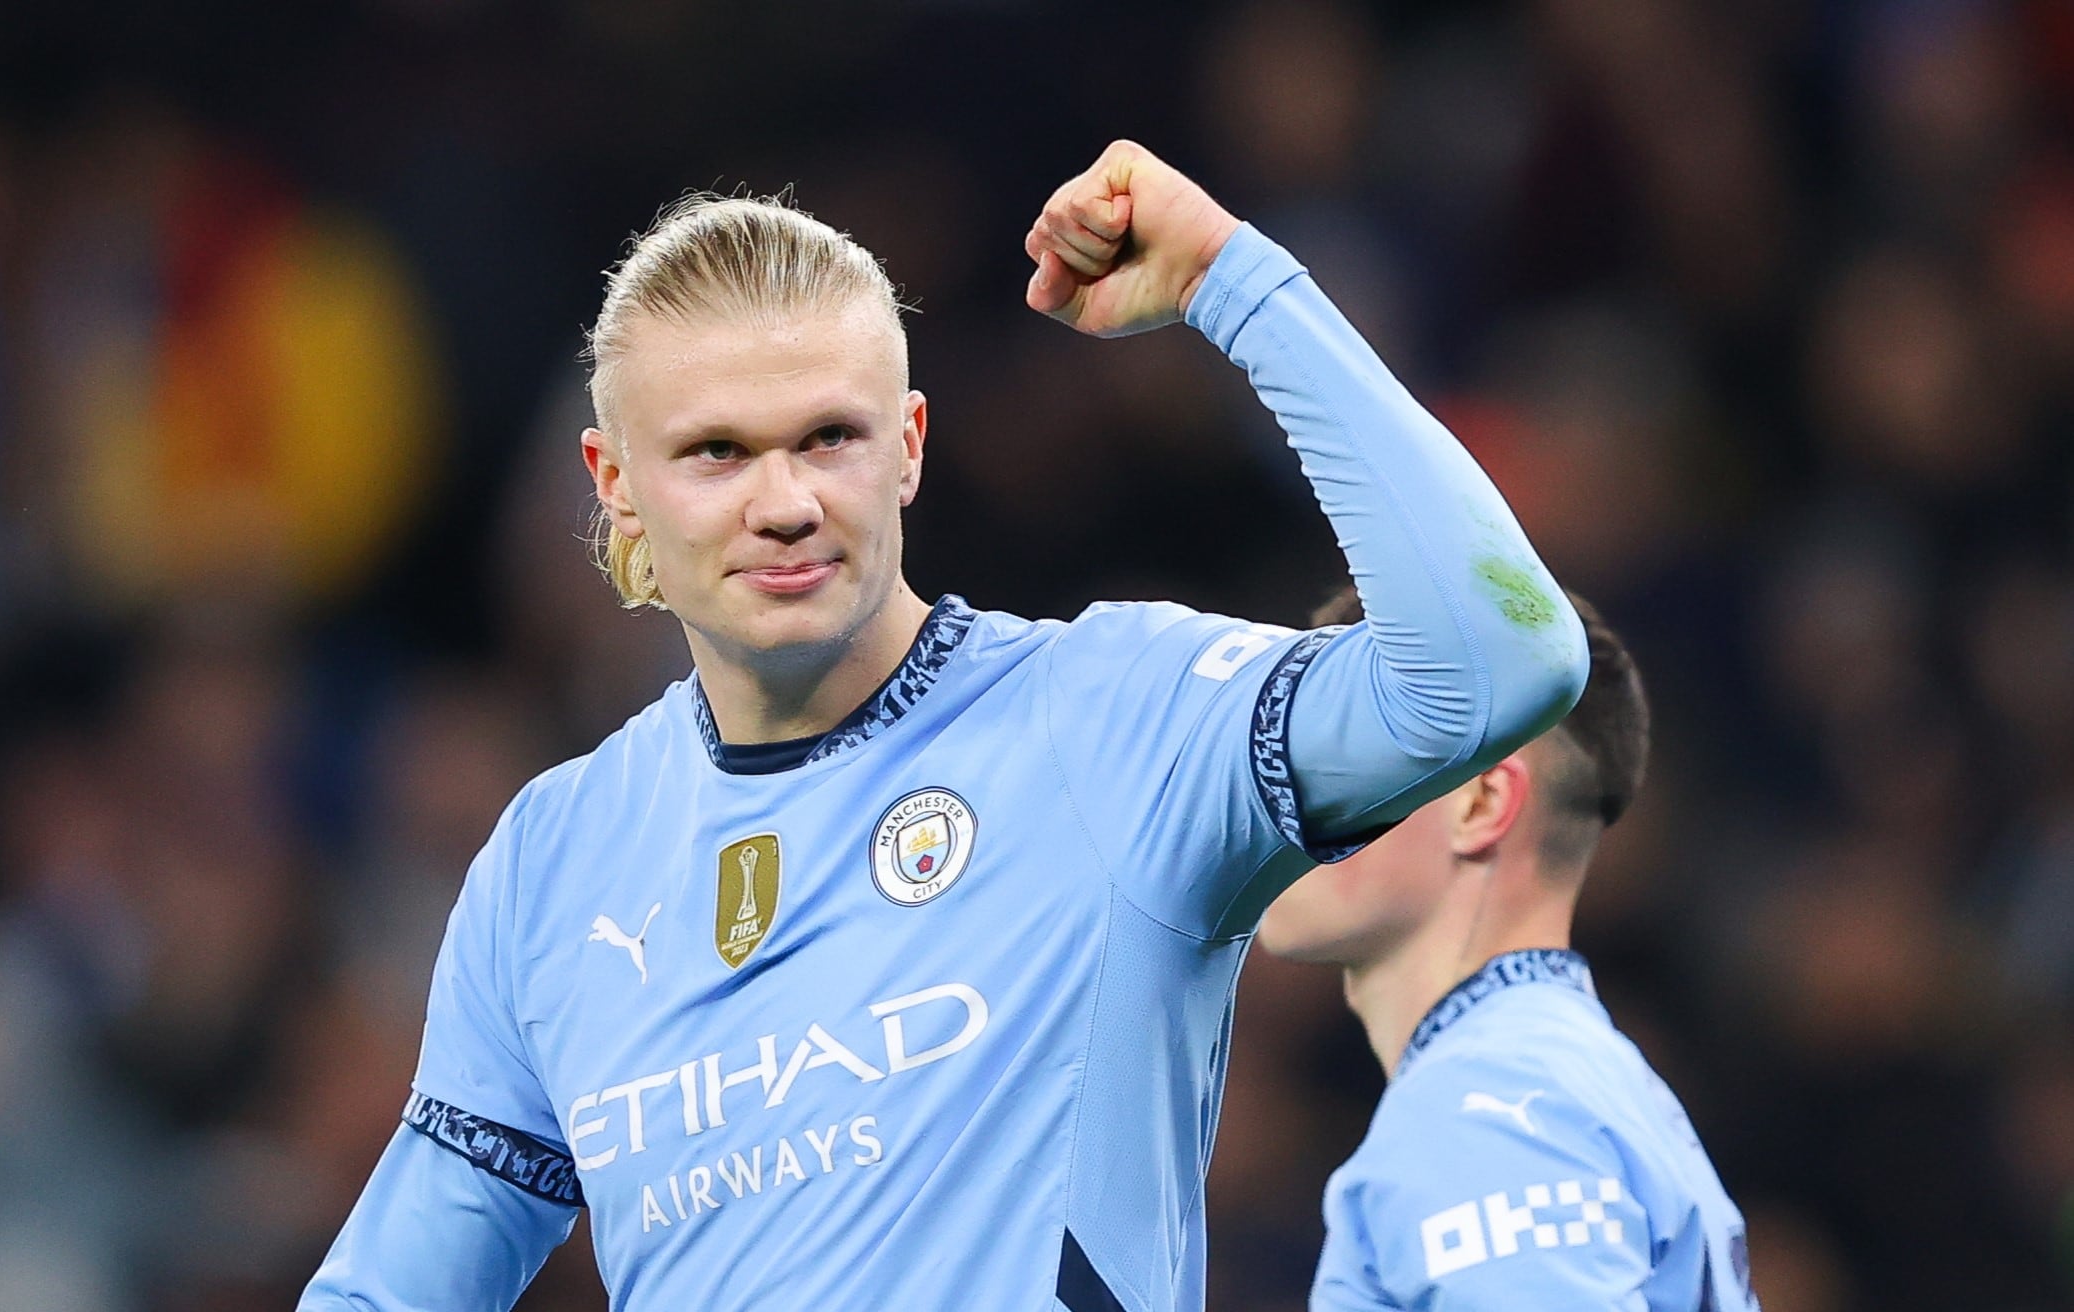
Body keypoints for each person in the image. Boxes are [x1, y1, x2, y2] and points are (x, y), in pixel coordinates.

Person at [299, 139, 1588, 1310]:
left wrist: (1232, 286)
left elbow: (1495, 666)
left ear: (907, 447)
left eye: (829, 437)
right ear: (615, 487)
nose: (787, 500)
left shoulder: (1110, 719)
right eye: (715, 454)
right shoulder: (553, 858)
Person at [1260, 588, 1758, 1311]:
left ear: (1479, 804)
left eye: (1332, 756)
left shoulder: (1490, 1100)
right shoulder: (1560, 1080)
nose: (1273, 801)